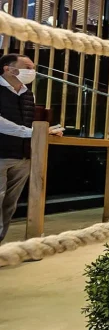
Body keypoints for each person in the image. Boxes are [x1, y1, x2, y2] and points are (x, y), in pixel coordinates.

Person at [0, 54, 62, 242]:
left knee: (10, 203)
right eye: (27, 67)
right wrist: (32, 133)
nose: (31, 71)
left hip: (23, 156)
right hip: (1, 154)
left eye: (33, 68)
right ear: (7, 68)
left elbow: (31, 123)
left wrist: (47, 131)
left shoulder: (28, 93)